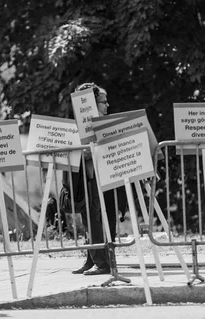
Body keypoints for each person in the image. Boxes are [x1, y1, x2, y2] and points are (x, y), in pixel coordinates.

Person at [60, 82, 123, 276]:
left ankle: (102, 263)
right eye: (104, 102)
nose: (107, 105)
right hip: (88, 178)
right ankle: (93, 259)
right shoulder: (82, 125)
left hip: (102, 179)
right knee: (90, 218)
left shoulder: (106, 125)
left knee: (94, 217)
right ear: (93, 103)